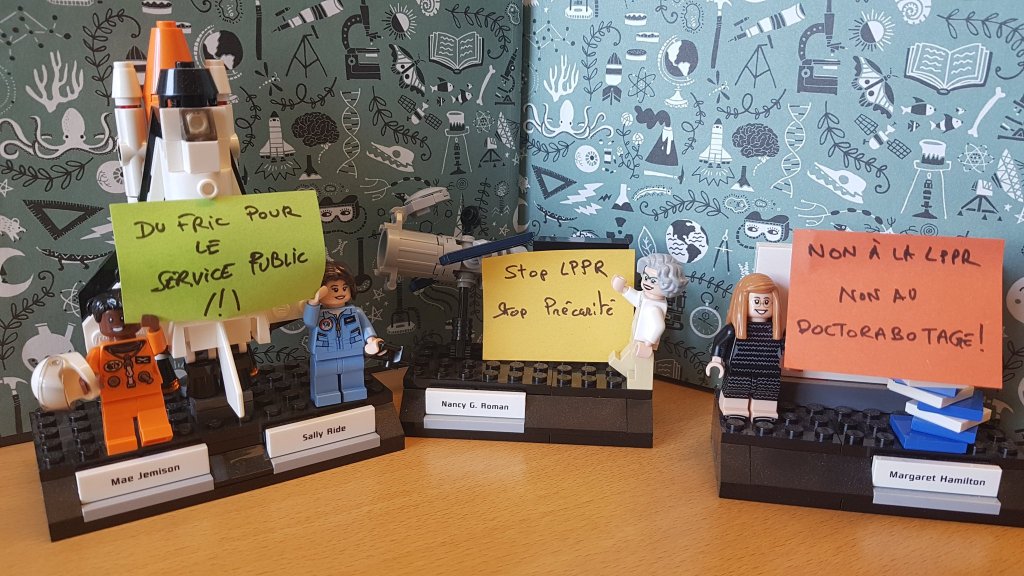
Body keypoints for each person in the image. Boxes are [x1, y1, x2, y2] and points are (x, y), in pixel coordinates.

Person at [86, 291, 173, 455]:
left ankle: (156, 435)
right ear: (100, 323)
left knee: (155, 423)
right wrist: (90, 381)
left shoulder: (145, 343)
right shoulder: (98, 353)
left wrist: (154, 328)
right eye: (111, 320)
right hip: (115, 397)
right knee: (119, 429)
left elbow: (160, 348)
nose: (119, 323)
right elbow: (89, 372)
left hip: (149, 393)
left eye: (124, 317)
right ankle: (120, 441)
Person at [705, 273, 785, 421]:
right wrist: (716, 360)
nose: (762, 306)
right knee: (736, 388)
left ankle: (764, 411)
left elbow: (785, 348)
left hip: (769, 369)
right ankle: (734, 408)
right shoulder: (734, 329)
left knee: (767, 390)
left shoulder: (777, 332)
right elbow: (720, 342)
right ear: (743, 301)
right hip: (738, 368)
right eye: (757, 301)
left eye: (767, 301)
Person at [305, 260, 384, 406]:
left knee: (353, 374)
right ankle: (325, 395)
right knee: (324, 377)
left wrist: (371, 340)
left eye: (344, 288)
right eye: (334, 289)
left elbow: (366, 328)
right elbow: (309, 322)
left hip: (353, 351)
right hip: (324, 353)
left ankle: (354, 391)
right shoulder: (318, 314)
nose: (340, 293)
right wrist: (314, 302)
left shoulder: (355, 312)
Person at [608, 253, 687, 390]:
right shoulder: (646, 297)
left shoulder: (655, 306)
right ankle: (632, 377)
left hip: (644, 343)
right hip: (637, 338)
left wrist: (648, 343)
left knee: (642, 367)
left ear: (668, 285)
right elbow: (636, 298)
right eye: (645, 277)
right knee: (631, 360)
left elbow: (659, 326)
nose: (647, 282)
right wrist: (623, 289)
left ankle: (639, 388)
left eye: (654, 281)